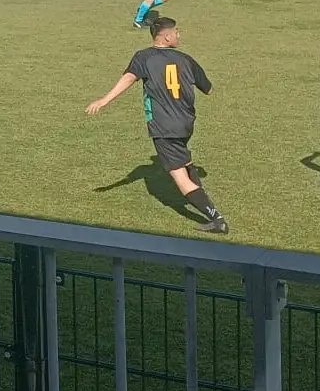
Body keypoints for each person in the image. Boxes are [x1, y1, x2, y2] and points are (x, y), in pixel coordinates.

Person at [86, 16, 228, 233]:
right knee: (184, 160)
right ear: (167, 37)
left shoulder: (144, 57)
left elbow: (128, 78)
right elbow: (208, 89)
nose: (179, 35)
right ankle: (201, 195)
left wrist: (104, 100)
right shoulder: (186, 59)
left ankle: (217, 219)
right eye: (177, 32)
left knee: (179, 177)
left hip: (164, 126)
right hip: (186, 123)